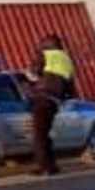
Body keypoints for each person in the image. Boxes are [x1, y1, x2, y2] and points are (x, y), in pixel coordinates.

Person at [29, 35, 75, 176]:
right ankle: (51, 165)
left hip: (42, 98)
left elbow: (33, 74)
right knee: (45, 133)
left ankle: (43, 166)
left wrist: (28, 78)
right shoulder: (67, 59)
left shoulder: (45, 55)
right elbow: (70, 87)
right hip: (55, 101)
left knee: (39, 135)